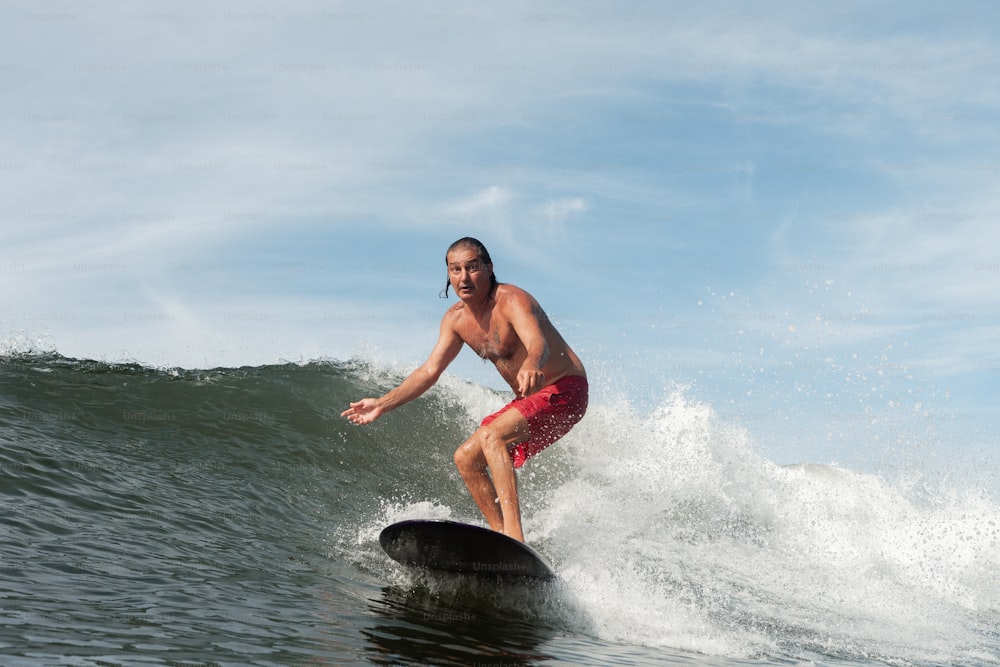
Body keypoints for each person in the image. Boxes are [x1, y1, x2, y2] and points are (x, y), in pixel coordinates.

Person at [341, 237, 587, 542]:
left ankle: (515, 537)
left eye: (472, 267)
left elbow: (538, 342)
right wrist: (382, 403)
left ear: (489, 268)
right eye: (455, 270)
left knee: (491, 435)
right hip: (533, 398)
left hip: (565, 389)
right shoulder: (456, 320)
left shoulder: (512, 301)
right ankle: (502, 541)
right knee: (466, 458)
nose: (464, 277)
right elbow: (429, 371)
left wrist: (533, 364)